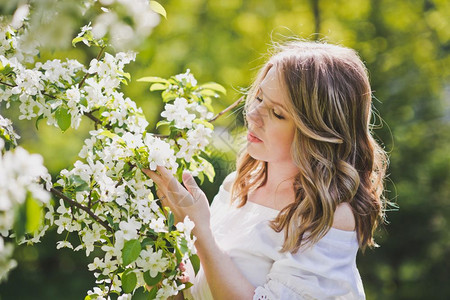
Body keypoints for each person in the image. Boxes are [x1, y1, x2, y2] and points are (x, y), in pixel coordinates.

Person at [143, 40, 388, 300]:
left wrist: (200, 232)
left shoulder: (328, 217)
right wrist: (158, 253)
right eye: (258, 98)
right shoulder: (238, 185)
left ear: (318, 131)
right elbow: (199, 293)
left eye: (277, 113)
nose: (253, 115)